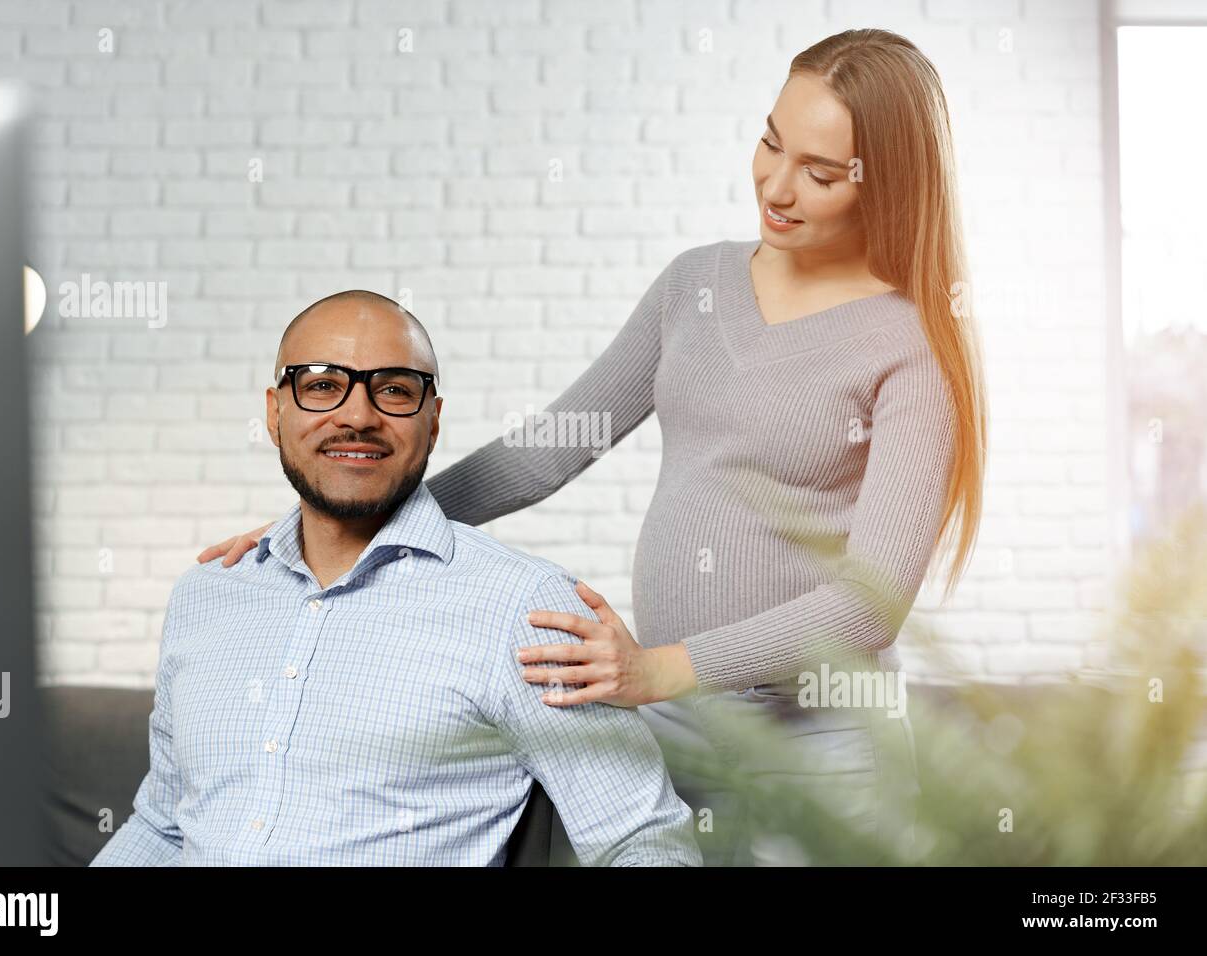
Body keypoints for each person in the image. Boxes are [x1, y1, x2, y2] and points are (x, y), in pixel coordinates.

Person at [200, 28, 988, 865]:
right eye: (770, 142)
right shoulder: (697, 286)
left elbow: (869, 605)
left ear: (884, 182)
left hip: (825, 751)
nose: (777, 185)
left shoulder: (907, 346)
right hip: (672, 730)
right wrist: (334, 527)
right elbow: (548, 451)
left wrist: (657, 670)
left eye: (821, 173)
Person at [95, 290, 702, 866]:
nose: (357, 416)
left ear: (432, 422)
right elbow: (163, 825)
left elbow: (642, 840)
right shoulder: (208, 593)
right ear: (275, 413)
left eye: (393, 389)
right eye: (323, 385)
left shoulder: (522, 606)